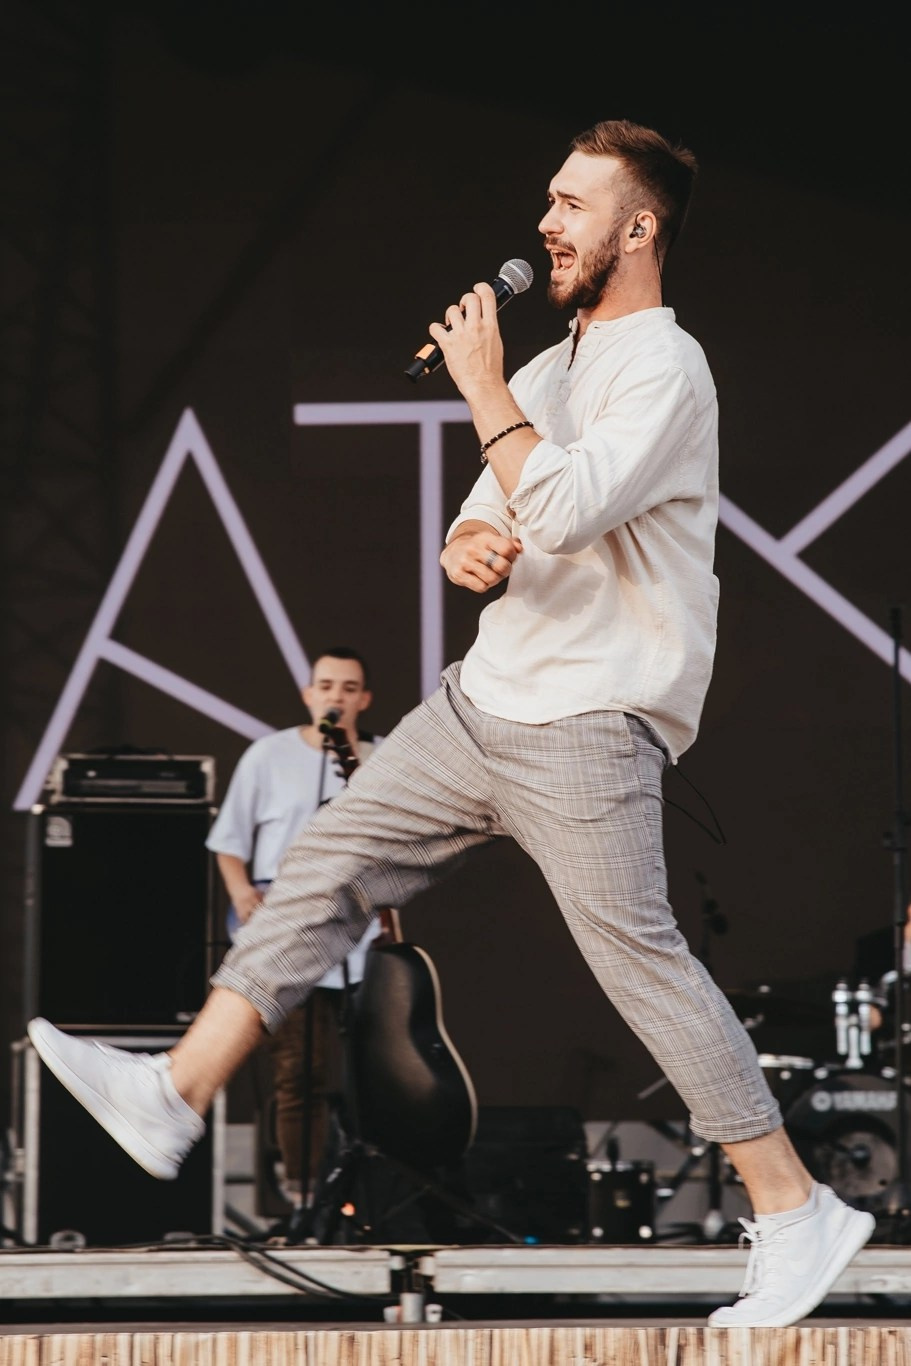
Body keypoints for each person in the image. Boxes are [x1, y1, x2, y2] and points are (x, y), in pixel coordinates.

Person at [27, 117, 874, 1327]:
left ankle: (794, 1209)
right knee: (324, 859)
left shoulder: (663, 368)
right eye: (548, 199)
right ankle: (175, 1092)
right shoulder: (550, 369)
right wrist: (467, 543)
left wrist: (482, 384)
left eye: (572, 205)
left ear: (637, 229)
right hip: (483, 701)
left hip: (588, 718)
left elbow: (565, 506)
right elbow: (493, 508)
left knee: (639, 964)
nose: (545, 223)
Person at [205, 646, 383, 1211]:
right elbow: (229, 840)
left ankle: (363, 1198)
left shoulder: (380, 759)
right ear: (309, 694)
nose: (336, 697)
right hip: (284, 933)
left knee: (365, 1072)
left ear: (364, 699)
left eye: (348, 688)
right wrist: (242, 893)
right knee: (299, 1070)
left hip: (357, 937)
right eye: (326, 685)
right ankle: (303, 1195)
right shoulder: (268, 755)